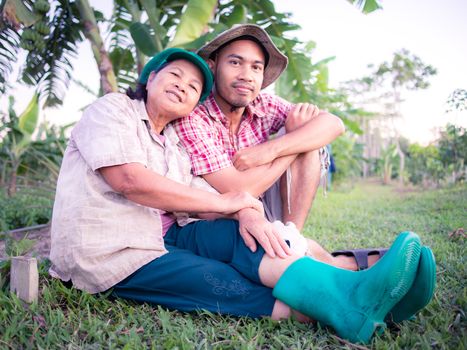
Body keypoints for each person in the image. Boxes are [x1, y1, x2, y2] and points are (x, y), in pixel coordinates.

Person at [49, 48, 433, 344]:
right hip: (117, 253)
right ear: (149, 79)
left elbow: (202, 194)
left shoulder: (173, 141)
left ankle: (367, 300)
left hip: (171, 235)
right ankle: (354, 296)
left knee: (247, 236)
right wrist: (231, 202)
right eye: (174, 75)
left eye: (194, 86)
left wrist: (247, 213)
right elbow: (129, 180)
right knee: (225, 282)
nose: (184, 85)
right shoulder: (114, 109)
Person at [173, 24, 378, 269]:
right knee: (298, 136)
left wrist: (272, 148)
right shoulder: (194, 115)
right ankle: (337, 262)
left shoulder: (263, 104)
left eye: (256, 67)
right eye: (235, 63)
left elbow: (333, 124)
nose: (246, 75)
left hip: (263, 213)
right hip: (219, 219)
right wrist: (288, 149)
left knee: (306, 138)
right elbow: (239, 189)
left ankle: (293, 237)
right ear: (213, 65)